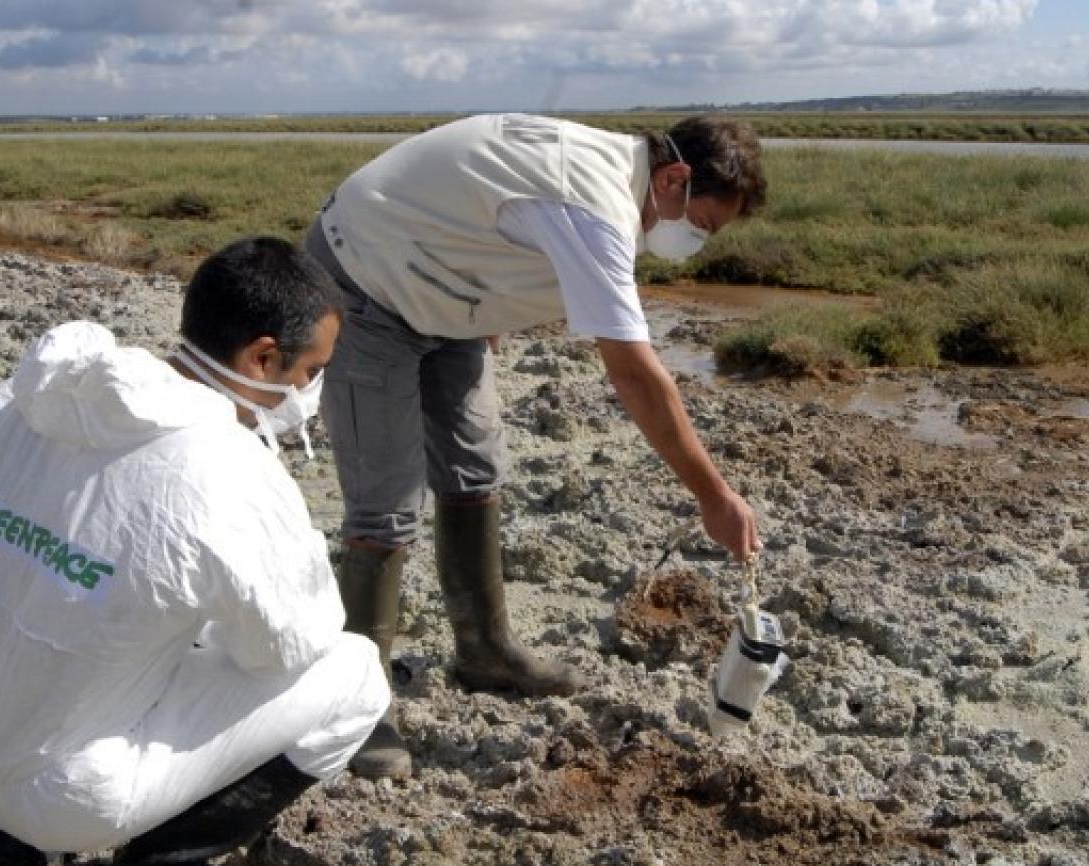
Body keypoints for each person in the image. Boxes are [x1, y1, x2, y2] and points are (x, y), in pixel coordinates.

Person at [0, 238, 388, 866]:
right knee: (354, 676)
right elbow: (286, 646)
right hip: (70, 797)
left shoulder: (15, 405)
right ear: (261, 358)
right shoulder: (222, 468)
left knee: (18, 604)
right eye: (311, 371)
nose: (311, 394)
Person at [303, 113, 768, 781]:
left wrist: (488, 304)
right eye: (705, 224)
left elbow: (494, 214)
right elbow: (636, 375)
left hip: (442, 282)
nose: (697, 240)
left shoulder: (613, 175)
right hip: (364, 278)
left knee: (476, 466)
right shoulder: (596, 206)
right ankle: (353, 708)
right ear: (674, 178)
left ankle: (486, 650)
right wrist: (712, 496)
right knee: (387, 504)